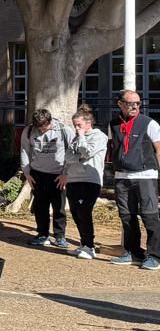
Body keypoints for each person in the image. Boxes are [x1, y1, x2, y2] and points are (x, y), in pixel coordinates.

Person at [110, 90, 160, 268]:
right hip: (122, 176)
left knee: (150, 215)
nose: (135, 107)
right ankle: (133, 252)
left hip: (145, 175)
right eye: (131, 103)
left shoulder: (149, 123)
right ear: (120, 104)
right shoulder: (113, 124)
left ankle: (154, 256)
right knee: (126, 215)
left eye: (138, 103)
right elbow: (114, 147)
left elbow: (158, 149)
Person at [19, 108, 73, 249]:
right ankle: (42, 234)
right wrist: (27, 173)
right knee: (40, 206)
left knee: (59, 207)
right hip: (37, 174)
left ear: (50, 121)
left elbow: (72, 152)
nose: (42, 130)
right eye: (39, 127)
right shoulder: (29, 131)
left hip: (58, 175)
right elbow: (24, 151)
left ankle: (60, 236)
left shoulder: (64, 130)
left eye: (45, 127)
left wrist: (66, 173)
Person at [63, 105, 109, 260]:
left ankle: (90, 246)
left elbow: (87, 152)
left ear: (88, 123)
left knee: (84, 212)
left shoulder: (99, 136)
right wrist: (78, 158)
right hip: (73, 179)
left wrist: (82, 138)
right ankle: (84, 243)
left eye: (79, 125)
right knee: (75, 212)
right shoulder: (76, 138)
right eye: (74, 125)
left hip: (89, 180)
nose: (76, 128)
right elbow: (68, 157)